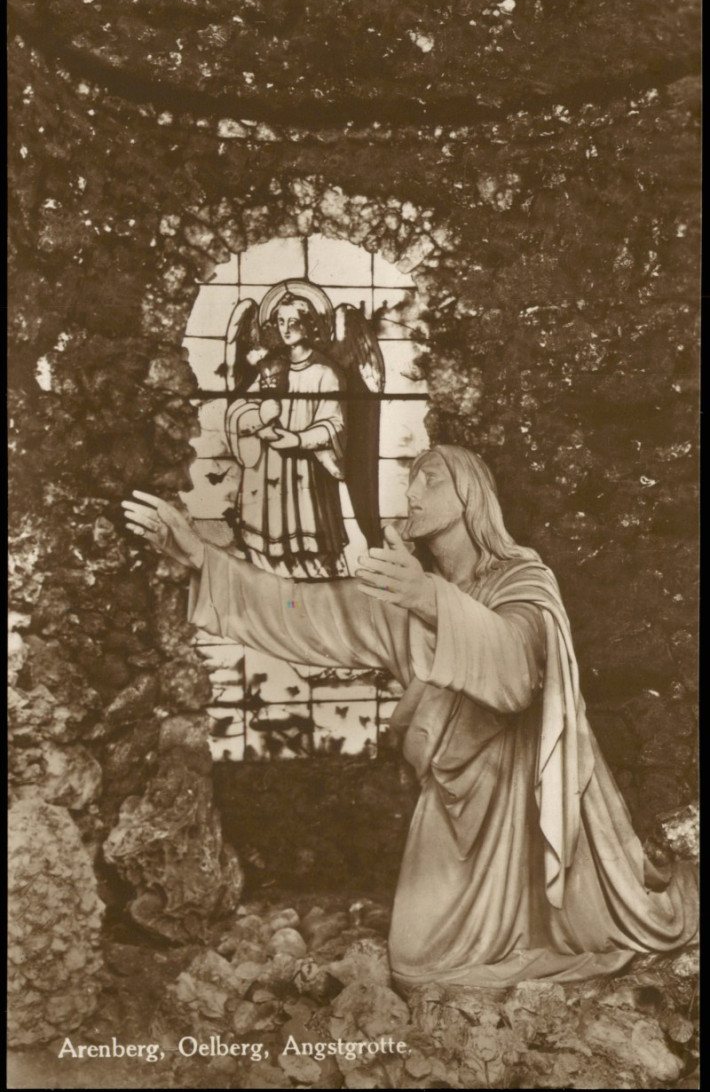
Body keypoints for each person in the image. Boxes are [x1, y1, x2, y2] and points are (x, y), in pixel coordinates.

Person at [122, 447, 697, 987]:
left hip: (522, 792)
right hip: (452, 798)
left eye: (431, 478)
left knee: (452, 960)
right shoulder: (406, 591)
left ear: (471, 497)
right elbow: (303, 611)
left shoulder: (522, 578)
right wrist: (203, 557)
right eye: (411, 479)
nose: (413, 492)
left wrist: (430, 599)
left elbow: (521, 669)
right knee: (419, 963)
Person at [226, 293, 349, 579]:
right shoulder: (268, 367)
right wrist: (258, 416)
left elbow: (335, 425)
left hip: (307, 473)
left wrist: (298, 440)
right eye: (281, 321)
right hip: (267, 471)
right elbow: (238, 411)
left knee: (312, 557)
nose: (286, 328)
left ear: (310, 325)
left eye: (294, 321)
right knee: (268, 563)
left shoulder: (326, 373)